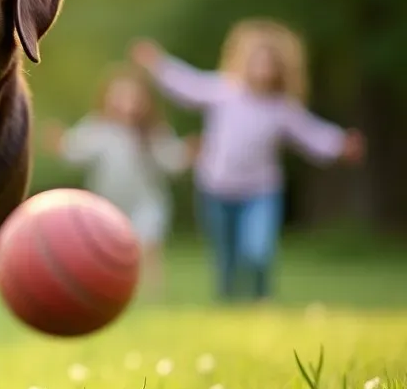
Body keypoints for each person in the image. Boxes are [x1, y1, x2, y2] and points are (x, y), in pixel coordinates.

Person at [131, 18, 365, 302]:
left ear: (281, 68)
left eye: (269, 62)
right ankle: (228, 300)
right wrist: (158, 64)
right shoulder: (224, 90)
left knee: (256, 250)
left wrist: (340, 144)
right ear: (242, 61)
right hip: (215, 188)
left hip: (260, 190)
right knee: (226, 255)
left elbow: (311, 133)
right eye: (256, 60)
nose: (262, 68)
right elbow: (187, 86)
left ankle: (260, 298)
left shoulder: (281, 107)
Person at [44, 64, 194, 298]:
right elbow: (76, 151)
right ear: (108, 100)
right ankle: (110, 291)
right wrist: (61, 144)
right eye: (120, 97)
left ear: (145, 103)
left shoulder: (153, 133)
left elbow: (170, 161)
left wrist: (186, 155)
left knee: (148, 248)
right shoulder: (99, 128)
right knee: (106, 251)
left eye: (134, 98)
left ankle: (150, 295)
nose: (127, 104)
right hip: (107, 205)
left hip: (147, 203)